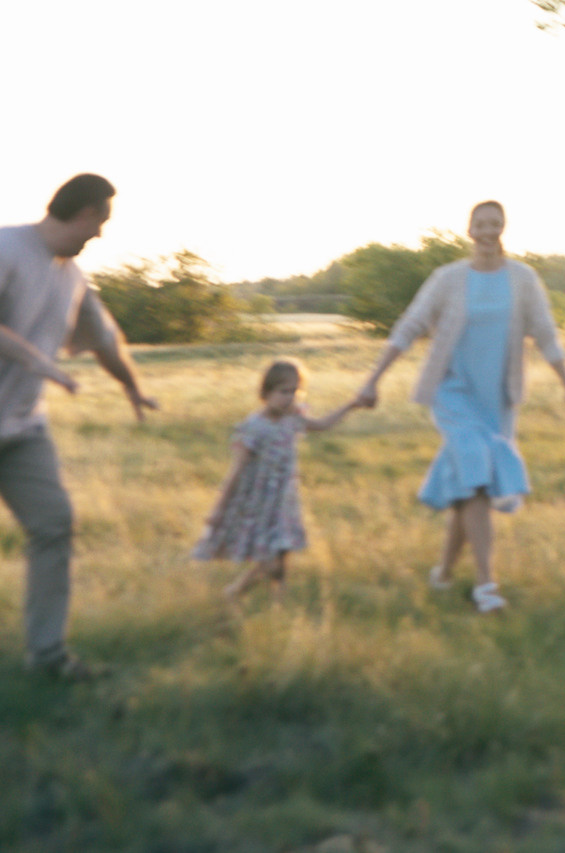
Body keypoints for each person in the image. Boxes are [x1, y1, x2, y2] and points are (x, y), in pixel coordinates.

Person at [350, 201, 565, 613]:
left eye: (496, 224)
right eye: (482, 224)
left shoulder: (523, 278)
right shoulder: (448, 278)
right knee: (476, 476)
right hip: (453, 392)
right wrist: (373, 380)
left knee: (470, 480)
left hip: (498, 397)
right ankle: (485, 585)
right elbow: (409, 326)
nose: (489, 231)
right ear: (470, 230)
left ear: (503, 228)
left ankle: (442, 573)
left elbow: (546, 333)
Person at [0, 173, 160, 679]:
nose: (100, 234)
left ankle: (48, 658)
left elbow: (105, 340)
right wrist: (35, 360)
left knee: (54, 524)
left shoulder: (71, 277)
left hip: (21, 430)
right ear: (86, 212)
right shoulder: (6, 248)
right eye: (101, 222)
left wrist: (132, 387)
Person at [194, 358, 370, 602]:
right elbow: (235, 471)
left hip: (284, 499)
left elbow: (322, 425)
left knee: (283, 551)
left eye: (295, 391)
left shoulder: (293, 419)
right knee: (270, 560)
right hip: (258, 503)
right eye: (283, 391)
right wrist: (218, 509)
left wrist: (351, 405)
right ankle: (234, 592)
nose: (290, 398)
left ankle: (280, 600)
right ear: (266, 392)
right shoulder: (254, 427)